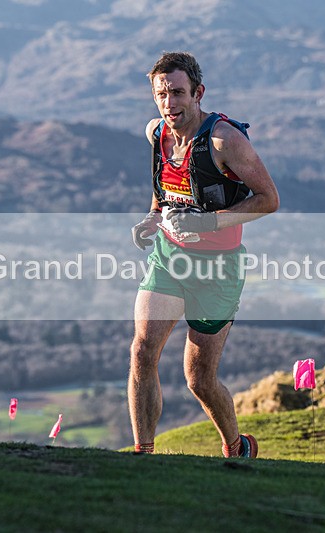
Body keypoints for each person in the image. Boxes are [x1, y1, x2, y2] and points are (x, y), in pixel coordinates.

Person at [129, 52, 279, 458]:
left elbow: (269, 199)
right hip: (169, 259)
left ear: (198, 93)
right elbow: (165, 186)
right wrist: (153, 217)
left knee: (199, 379)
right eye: (161, 94)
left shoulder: (224, 140)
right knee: (142, 351)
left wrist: (208, 223)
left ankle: (236, 446)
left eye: (178, 93)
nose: (169, 103)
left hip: (217, 270)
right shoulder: (156, 134)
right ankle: (143, 454)